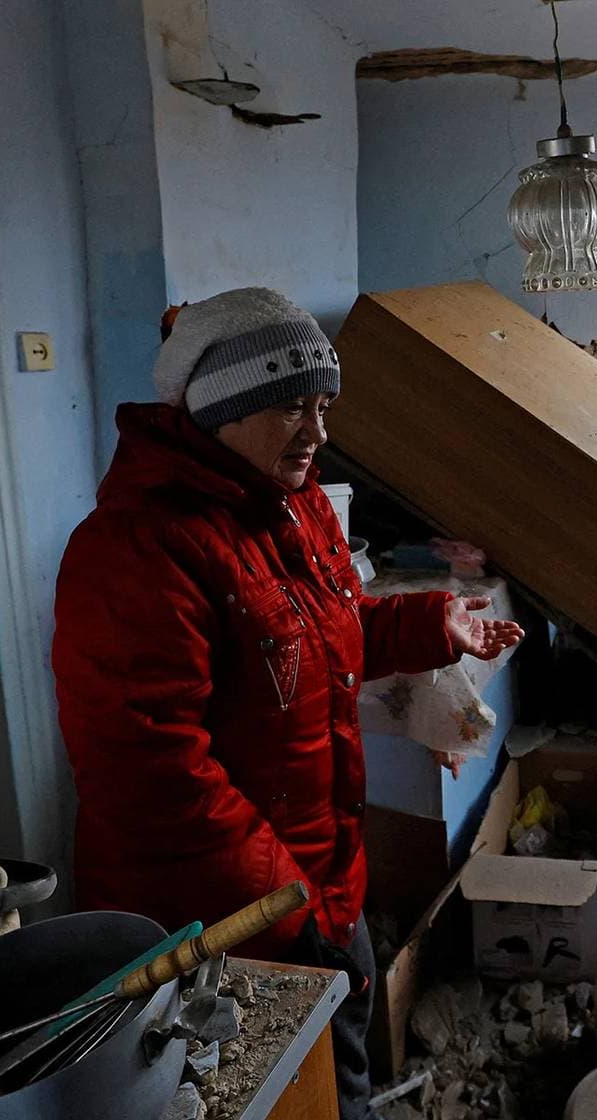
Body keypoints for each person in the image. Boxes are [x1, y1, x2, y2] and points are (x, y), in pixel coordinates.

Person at [52, 287, 522, 1118]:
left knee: (338, 1070)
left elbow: (321, 643)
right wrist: (284, 902)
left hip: (318, 880)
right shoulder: (136, 550)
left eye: (322, 405)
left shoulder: (293, 507)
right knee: (251, 1092)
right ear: (218, 411)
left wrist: (432, 623)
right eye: (289, 409)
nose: (318, 433)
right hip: (217, 922)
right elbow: (152, 774)